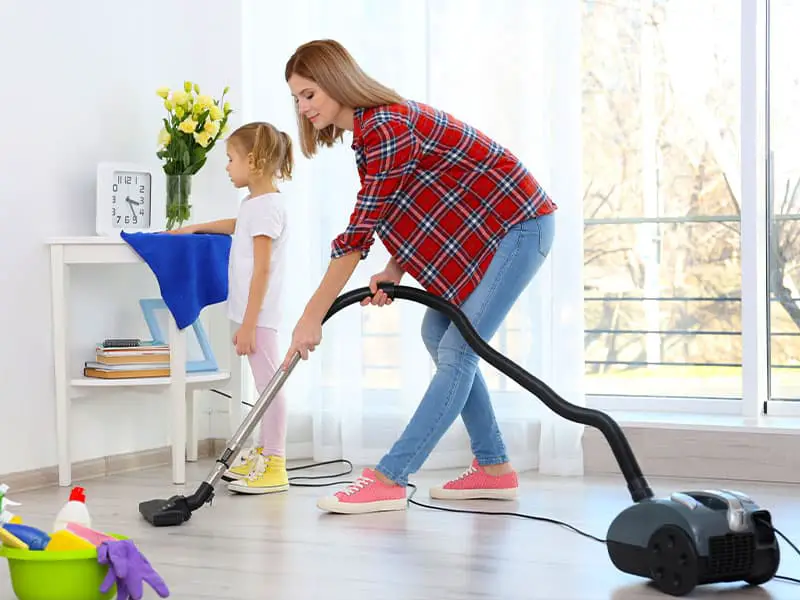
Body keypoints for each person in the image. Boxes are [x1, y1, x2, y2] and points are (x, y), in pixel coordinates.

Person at [283, 39, 557, 515]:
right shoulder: (371, 133)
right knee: (439, 332)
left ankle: (391, 477)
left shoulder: (386, 126)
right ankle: (495, 469)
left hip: (518, 225)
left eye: (309, 94)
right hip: (494, 230)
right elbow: (409, 202)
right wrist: (394, 267)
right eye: (297, 98)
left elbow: (357, 233)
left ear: (335, 80)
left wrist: (313, 317)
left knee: (457, 348)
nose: (303, 107)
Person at [170, 121, 294, 495]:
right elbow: (238, 225)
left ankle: (275, 462)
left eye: (230, 159)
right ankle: (263, 454)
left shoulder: (267, 207)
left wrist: (249, 325)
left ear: (253, 161)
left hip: (259, 317)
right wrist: (197, 227)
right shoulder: (256, 204)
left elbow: (262, 269)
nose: (226, 166)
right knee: (264, 384)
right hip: (251, 314)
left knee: (270, 387)